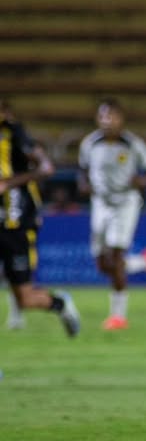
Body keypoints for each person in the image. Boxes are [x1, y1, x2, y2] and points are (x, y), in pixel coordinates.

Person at [77, 99, 146, 330]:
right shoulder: (90, 143)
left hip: (125, 203)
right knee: (102, 264)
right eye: (103, 116)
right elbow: (83, 171)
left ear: (121, 119)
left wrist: (141, 181)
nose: (107, 121)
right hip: (100, 203)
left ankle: (118, 316)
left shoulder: (132, 144)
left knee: (116, 256)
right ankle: (145, 262)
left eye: (112, 116)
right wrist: (84, 185)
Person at [0, 97, 80, 337]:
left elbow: (46, 168)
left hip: (15, 224)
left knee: (25, 298)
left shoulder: (14, 134)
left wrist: (8, 183)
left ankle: (60, 304)